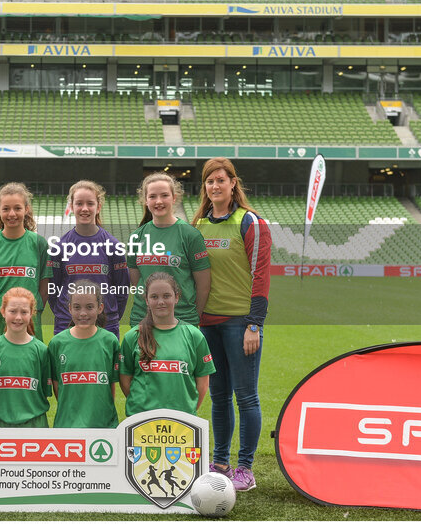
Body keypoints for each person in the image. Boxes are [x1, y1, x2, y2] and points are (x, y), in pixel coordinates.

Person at [191, 157, 271, 492]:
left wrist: (254, 323)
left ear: (233, 184)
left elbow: (261, 275)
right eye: (210, 182)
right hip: (208, 324)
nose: (215, 186)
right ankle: (221, 463)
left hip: (240, 324)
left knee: (246, 396)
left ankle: (246, 469)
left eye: (221, 180)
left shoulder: (250, 222)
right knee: (219, 396)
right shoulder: (199, 226)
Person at [119, 272, 214, 417]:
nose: (160, 302)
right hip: (141, 420)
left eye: (166, 296)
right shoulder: (133, 336)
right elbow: (125, 381)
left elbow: (202, 383)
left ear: (176, 297)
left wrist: (187, 411)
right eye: (154, 297)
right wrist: (141, 407)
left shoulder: (194, 336)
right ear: (146, 300)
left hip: (181, 421)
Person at [126, 172, 211, 327]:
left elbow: (203, 285)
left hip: (182, 320)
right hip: (143, 320)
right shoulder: (136, 237)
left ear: (174, 197)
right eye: (152, 196)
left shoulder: (191, 235)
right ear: (145, 200)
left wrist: (193, 318)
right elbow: (136, 282)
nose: (158, 201)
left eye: (164, 195)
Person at [48, 180, 129, 337]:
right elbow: (53, 290)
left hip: (105, 325)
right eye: (79, 203)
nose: (84, 208)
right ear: (71, 207)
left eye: (90, 204)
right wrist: (67, 314)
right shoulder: (60, 246)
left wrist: (108, 315)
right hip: (67, 325)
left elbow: (122, 290)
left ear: (98, 207)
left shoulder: (113, 245)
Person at [0, 182, 52, 342]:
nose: (12, 214)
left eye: (17, 208)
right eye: (6, 209)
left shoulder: (39, 243)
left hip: (28, 318)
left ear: (26, 209)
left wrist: (30, 309)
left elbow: (44, 286)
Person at [48, 280, 121, 428]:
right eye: (77, 307)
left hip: (103, 426)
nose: (83, 313)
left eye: (89, 307)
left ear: (100, 308)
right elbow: (58, 387)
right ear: (69, 308)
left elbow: (109, 385)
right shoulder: (57, 343)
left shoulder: (109, 341)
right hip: (67, 425)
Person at [0, 287, 51, 428]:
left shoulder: (42, 351)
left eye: (24, 312)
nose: (18, 317)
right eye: (12, 311)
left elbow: (43, 392)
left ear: (32, 313)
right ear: (3, 312)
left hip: (34, 425)